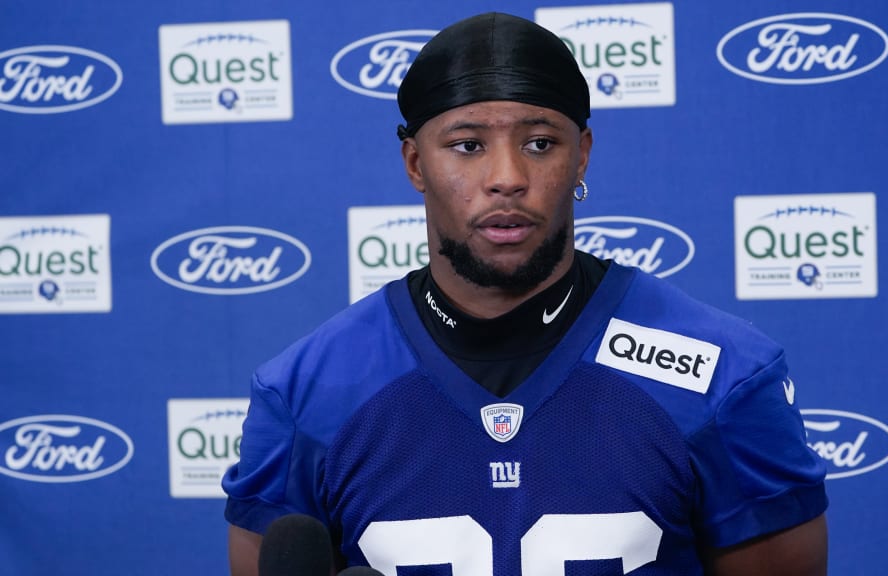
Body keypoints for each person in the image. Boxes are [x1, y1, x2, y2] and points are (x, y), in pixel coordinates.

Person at [223, 12, 828, 576]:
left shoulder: (723, 377)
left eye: (540, 143)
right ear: (414, 164)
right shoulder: (303, 395)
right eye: (468, 145)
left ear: (582, 155)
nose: (507, 177)